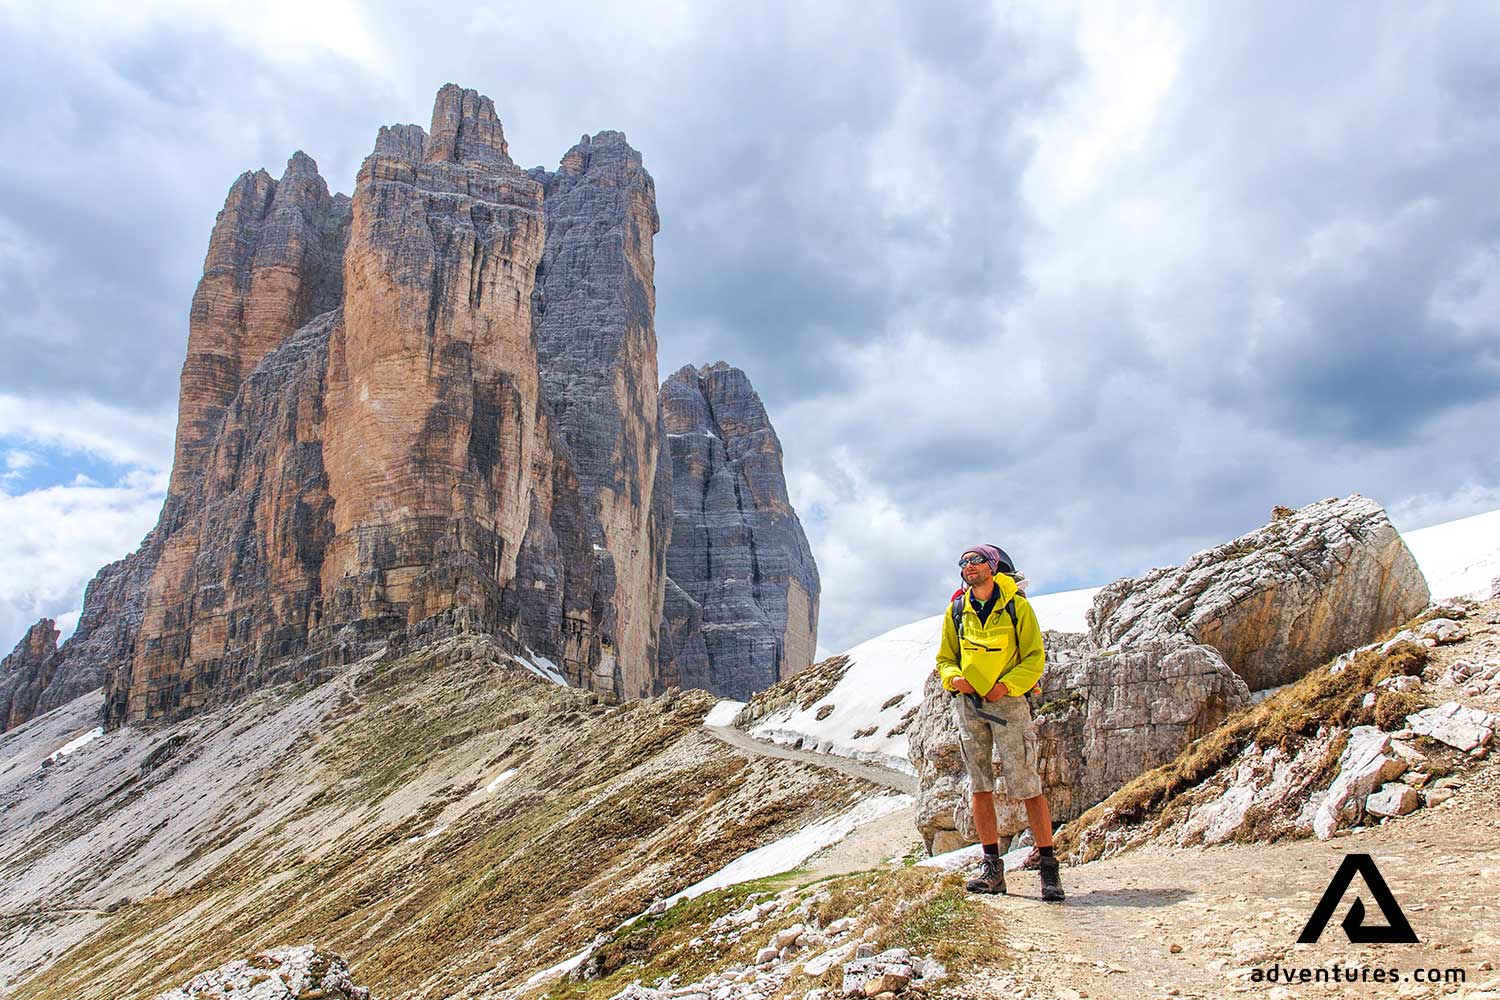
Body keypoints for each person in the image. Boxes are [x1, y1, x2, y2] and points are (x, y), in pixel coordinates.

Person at [935, 544, 1065, 901]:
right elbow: (945, 657)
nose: (968, 566)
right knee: (980, 786)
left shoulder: (1017, 606)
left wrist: (1005, 686)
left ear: (993, 567)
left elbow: (1034, 658)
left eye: (976, 561)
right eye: (963, 562)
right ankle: (992, 869)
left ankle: (1049, 870)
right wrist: (954, 678)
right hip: (969, 705)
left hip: (1008, 704)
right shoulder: (957, 609)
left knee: (1027, 784)